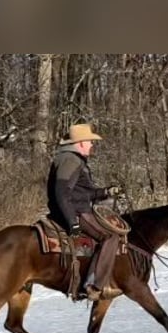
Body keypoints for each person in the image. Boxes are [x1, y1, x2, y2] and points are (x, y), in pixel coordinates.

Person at [47, 123, 123, 301]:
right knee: (110, 237)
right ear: (80, 143)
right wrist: (72, 221)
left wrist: (106, 192)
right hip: (78, 212)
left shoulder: (73, 159)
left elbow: (82, 192)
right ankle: (94, 286)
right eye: (89, 141)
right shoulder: (70, 160)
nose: (91, 145)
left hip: (79, 208)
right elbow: (62, 192)